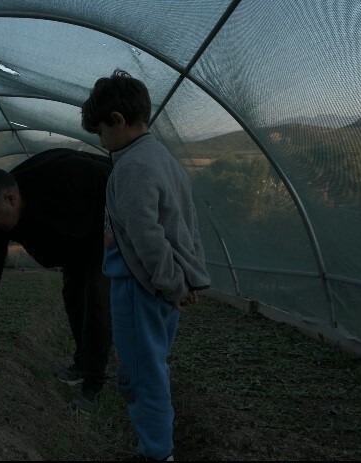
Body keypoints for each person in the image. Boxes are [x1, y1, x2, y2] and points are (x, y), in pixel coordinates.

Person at [81, 69, 211, 460]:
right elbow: (185, 225)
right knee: (152, 364)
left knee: (143, 375)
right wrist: (184, 281)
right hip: (160, 285)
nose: (103, 142)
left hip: (140, 286)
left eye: (102, 132)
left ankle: (157, 453)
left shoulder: (133, 166)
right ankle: (156, 445)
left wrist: (172, 284)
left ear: (118, 121)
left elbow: (148, 237)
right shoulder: (163, 158)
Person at [0, 148, 113, 413]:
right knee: (73, 299)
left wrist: (113, 229)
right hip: (70, 248)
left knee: (96, 300)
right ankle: (82, 361)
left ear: (10, 198)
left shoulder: (59, 174)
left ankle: (93, 385)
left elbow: (114, 176)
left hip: (97, 235)